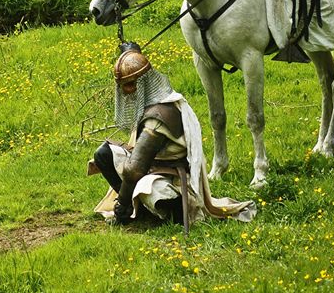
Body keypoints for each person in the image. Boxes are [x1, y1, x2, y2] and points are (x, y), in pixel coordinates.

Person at [91, 43, 256, 227]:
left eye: (130, 85)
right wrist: (131, 52)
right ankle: (139, 208)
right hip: (151, 165)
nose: (126, 91)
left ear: (144, 82)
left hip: (171, 177)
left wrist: (121, 205)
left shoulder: (159, 116)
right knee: (103, 154)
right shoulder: (154, 97)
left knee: (150, 189)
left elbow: (134, 170)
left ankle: (160, 212)